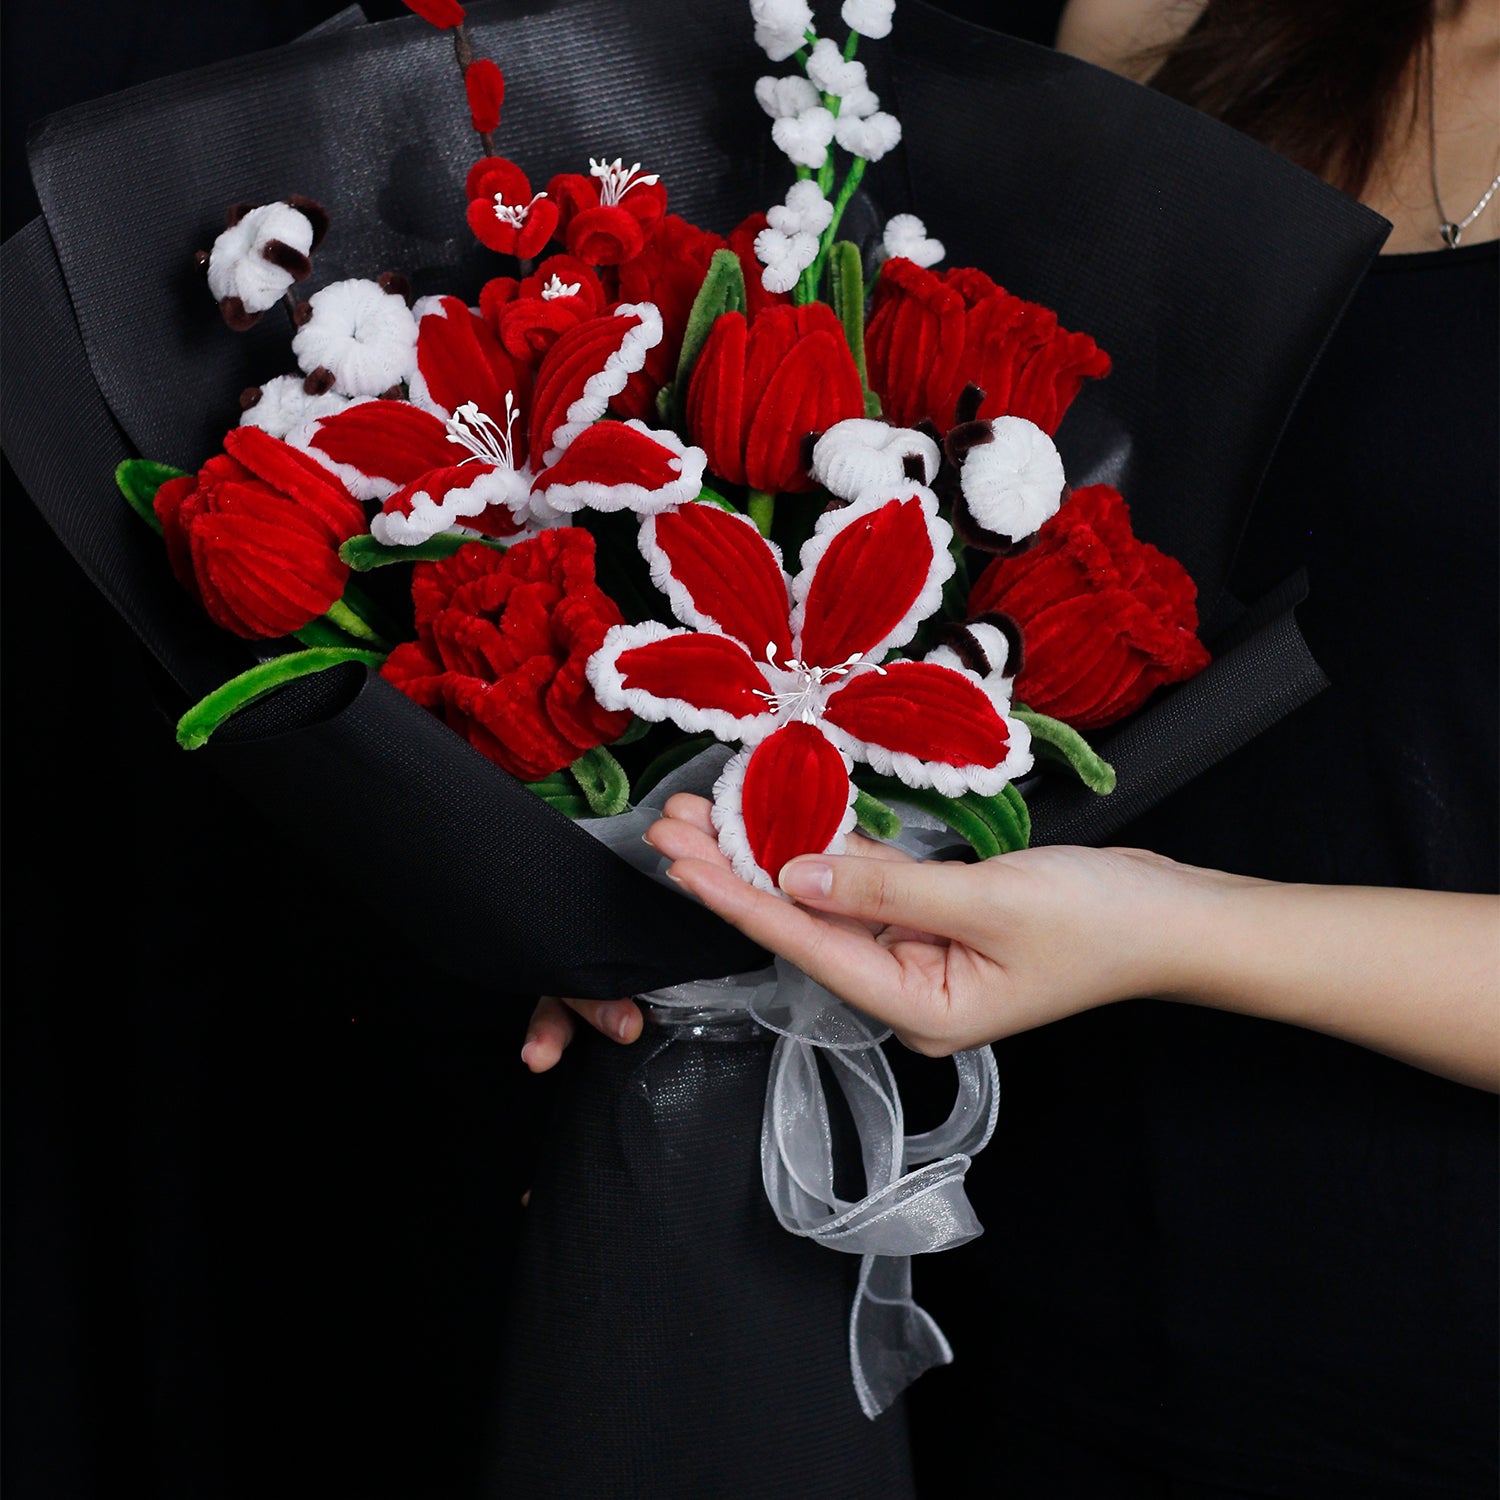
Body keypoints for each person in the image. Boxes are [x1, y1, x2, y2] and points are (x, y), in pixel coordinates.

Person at [527, 0, 1498, 1494]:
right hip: (969, 1273)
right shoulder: (1163, 20)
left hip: (1418, 1350)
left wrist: (1180, 932)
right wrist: (633, 852)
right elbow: (911, 533)